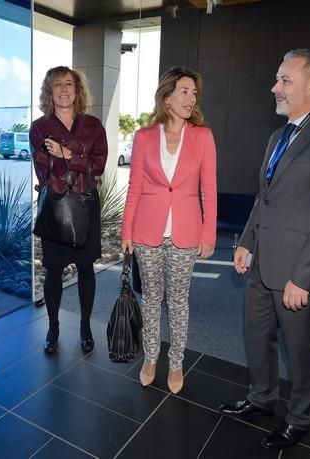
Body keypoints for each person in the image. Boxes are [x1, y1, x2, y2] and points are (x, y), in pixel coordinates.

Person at [218, 49, 310, 449]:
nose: (274, 87)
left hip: (299, 271)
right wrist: (247, 241)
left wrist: (302, 276)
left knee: (299, 352)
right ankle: (261, 399)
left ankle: (300, 420)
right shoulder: (278, 136)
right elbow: (263, 198)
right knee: (256, 338)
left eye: (284, 80)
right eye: (277, 79)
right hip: (263, 262)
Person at [120, 66, 217, 395]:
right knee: (150, 300)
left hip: (186, 232)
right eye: (185, 91)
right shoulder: (145, 137)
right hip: (147, 230)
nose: (191, 98)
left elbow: (210, 190)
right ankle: (150, 357)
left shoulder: (203, 136)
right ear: (167, 97)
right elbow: (134, 187)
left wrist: (208, 234)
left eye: (194, 93)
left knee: (178, 301)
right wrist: (126, 230)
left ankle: (176, 362)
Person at [31, 66, 108, 354]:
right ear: (49, 92)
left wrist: (68, 155)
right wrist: (79, 161)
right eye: (56, 85)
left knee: (86, 268)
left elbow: (98, 166)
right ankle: (53, 327)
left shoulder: (93, 125)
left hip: (86, 205)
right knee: (53, 271)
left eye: (68, 84)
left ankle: (86, 326)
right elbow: (43, 170)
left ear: (77, 90)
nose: (63, 90)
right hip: (57, 206)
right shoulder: (40, 126)